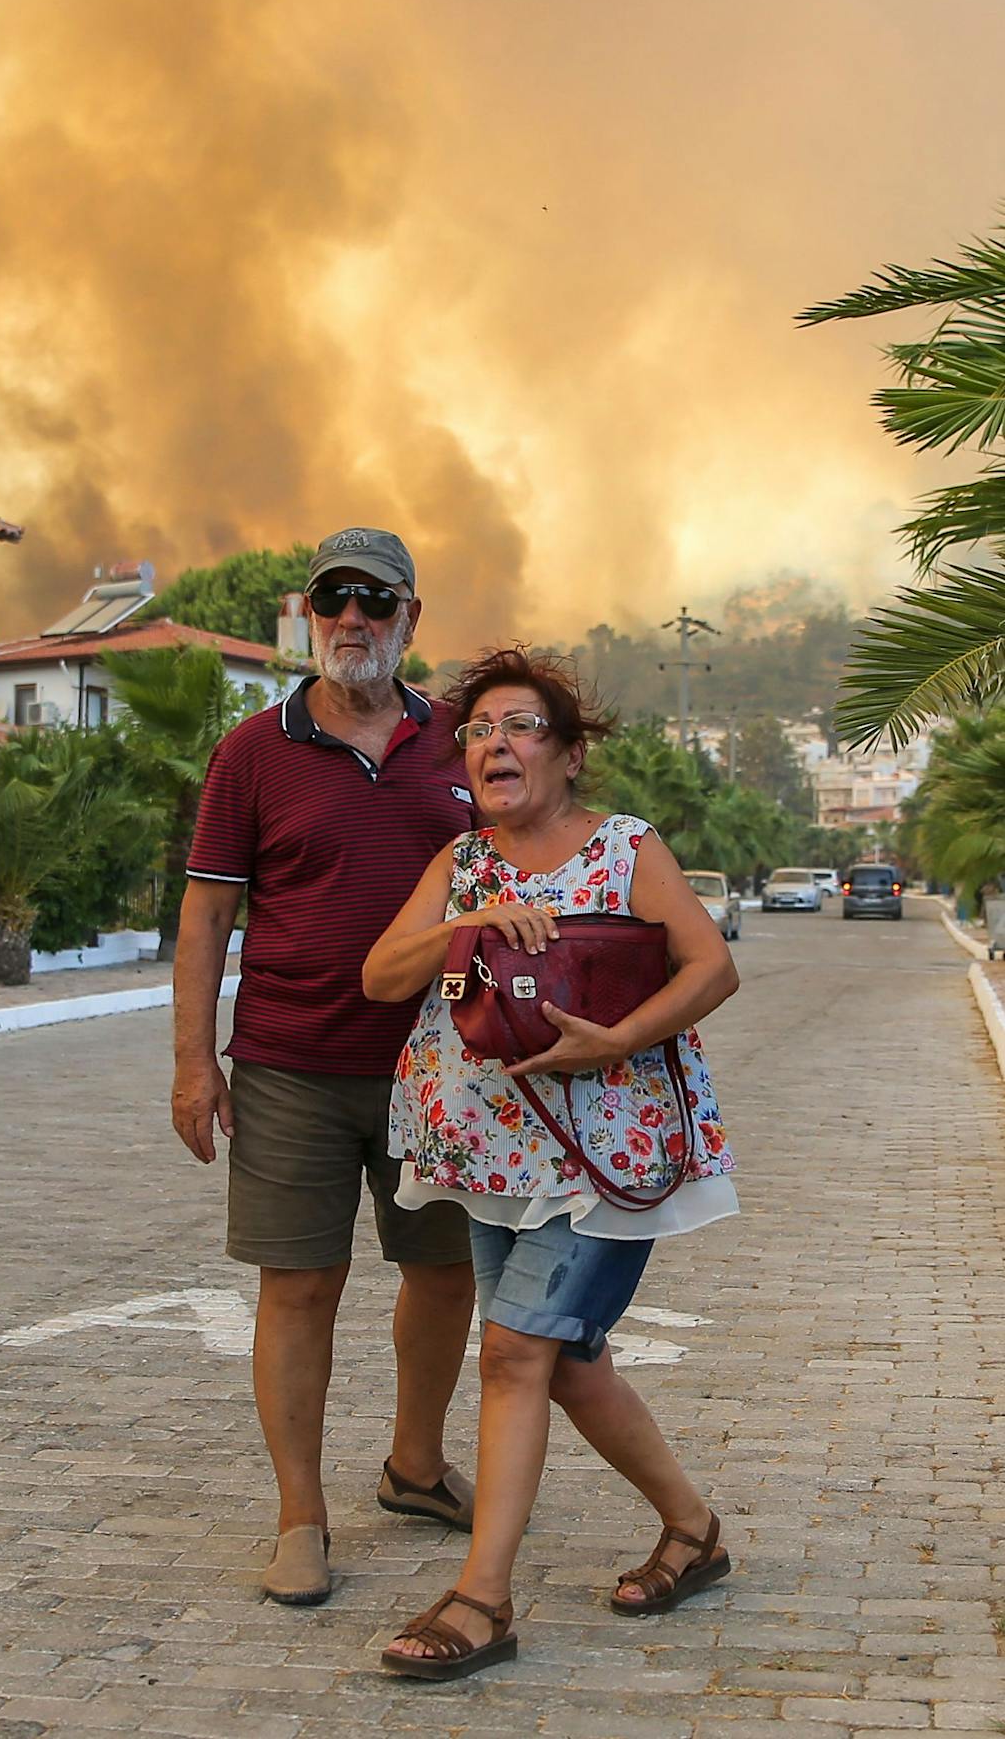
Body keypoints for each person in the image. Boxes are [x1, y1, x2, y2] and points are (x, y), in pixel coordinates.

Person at [362, 646, 740, 1680]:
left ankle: (480, 1598)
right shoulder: (462, 862)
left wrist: (615, 1040)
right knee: (565, 1361)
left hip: (602, 1156)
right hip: (489, 1153)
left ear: (568, 754)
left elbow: (712, 965)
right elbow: (379, 973)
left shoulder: (624, 848)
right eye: (479, 730)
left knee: (514, 1353)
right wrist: (469, 917)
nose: (495, 743)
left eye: (521, 725)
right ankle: (690, 1527)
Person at [171, 527, 479, 1609]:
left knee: (443, 1274)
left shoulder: (461, 745)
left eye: (375, 601)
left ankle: (414, 1463)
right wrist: (191, 1063)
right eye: (332, 599)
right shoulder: (253, 750)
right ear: (308, 612)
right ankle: (299, 1515)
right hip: (289, 1063)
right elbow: (208, 908)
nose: (352, 619)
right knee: (298, 1286)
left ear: (409, 617)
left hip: (438, 1069)